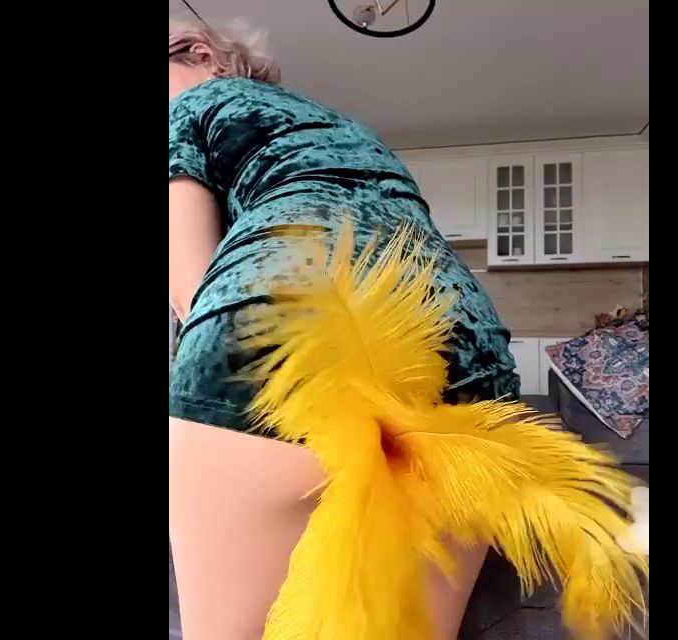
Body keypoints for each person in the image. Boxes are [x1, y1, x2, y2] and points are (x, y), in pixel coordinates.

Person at [168, 20, 519, 640]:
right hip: (458, 343)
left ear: (198, 54)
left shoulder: (189, 108)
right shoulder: (350, 129)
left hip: (282, 327)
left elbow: (187, 279)